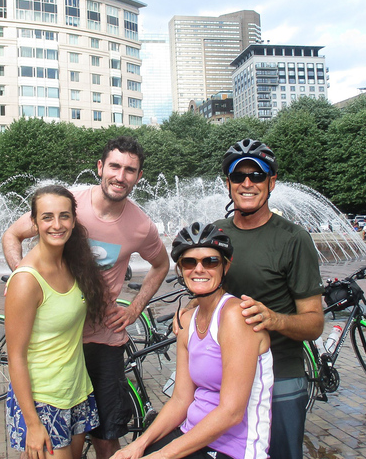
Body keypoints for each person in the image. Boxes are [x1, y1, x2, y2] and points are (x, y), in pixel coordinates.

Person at [2, 136, 170, 459]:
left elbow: (161, 264)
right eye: (115, 166)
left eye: (130, 170)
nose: (120, 176)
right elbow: (13, 234)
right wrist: (25, 277)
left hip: (102, 341)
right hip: (57, 342)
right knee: (49, 441)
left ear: (139, 176)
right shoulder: (66, 206)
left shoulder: (140, 226)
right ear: (100, 167)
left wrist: (135, 309)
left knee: (106, 438)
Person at [111, 222, 273, 459]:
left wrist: (164, 454)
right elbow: (180, 400)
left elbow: (231, 412)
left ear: (225, 267)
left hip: (233, 448)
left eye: (210, 261)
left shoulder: (236, 316)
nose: (199, 269)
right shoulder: (187, 320)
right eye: (189, 262)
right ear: (180, 269)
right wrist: (139, 444)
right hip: (191, 434)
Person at [212, 139, 324, 459]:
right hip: (227, 377)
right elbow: (209, 297)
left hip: (280, 378)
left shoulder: (293, 239)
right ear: (228, 184)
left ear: (271, 182)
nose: (247, 183)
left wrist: (273, 318)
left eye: (257, 175)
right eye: (238, 176)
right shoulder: (216, 235)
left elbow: (314, 322)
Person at [5, 185, 107, 459]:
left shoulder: (73, 265)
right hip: (43, 401)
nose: (57, 224)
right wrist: (33, 423)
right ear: (34, 223)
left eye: (64, 216)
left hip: (77, 391)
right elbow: (15, 356)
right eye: (47, 217)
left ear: (74, 220)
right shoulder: (26, 280)